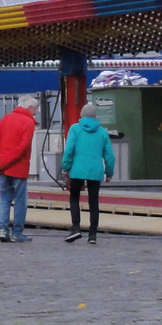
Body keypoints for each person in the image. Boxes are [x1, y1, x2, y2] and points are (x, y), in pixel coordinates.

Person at [61, 101, 115, 244]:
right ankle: (92, 235)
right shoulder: (102, 132)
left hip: (77, 169)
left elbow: (69, 150)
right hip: (95, 171)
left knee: (74, 198)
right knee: (93, 202)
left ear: (82, 115)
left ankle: (76, 228)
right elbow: (109, 155)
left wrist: (65, 166)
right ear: (95, 116)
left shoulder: (75, 129)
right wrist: (109, 173)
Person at [0, 95, 38, 243]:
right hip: (17, 168)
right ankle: (17, 232)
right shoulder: (29, 122)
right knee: (20, 201)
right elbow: (21, 148)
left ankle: (3, 230)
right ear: (29, 107)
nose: (35, 112)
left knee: (5, 199)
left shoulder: (5, 119)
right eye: (35, 109)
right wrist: (4, 163)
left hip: (1, 168)